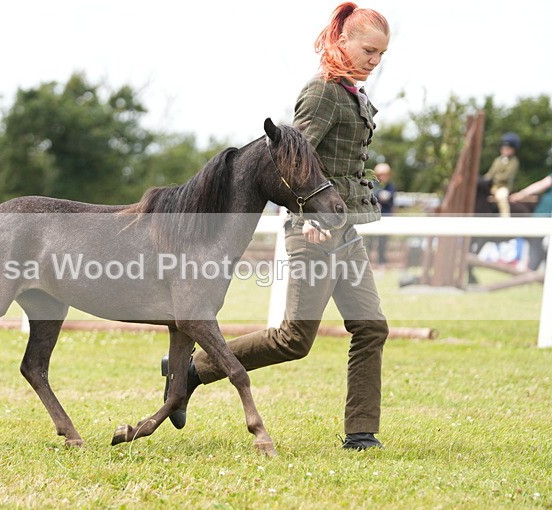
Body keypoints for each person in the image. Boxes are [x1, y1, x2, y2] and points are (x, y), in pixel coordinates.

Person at [161, 2, 390, 450]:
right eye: (368, 50)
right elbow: (293, 158)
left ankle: (361, 434)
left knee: (371, 327)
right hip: (314, 231)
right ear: (341, 40)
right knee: (293, 340)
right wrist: (307, 219)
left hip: (344, 230)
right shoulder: (322, 92)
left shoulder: (352, 93)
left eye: (381, 54)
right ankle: (190, 371)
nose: (374, 61)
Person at [510, 172, 552, 270]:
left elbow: (544, 184)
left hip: (544, 216)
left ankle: (531, 272)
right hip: (544, 216)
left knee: (536, 246)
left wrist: (521, 194)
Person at [484, 133, 521, 217]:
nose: (505, 150)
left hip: (503, 186)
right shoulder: (498, 160)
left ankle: (505, 218)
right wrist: (486, 178)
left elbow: (507, 175)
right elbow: (491, 171)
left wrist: (494, 178)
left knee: (501, 197)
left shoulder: (514, 162)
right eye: (504, 148)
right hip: (493, 186)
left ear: (513, 150)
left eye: (508, 148)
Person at [372, 162, 396, 266]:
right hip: (373, 218)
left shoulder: (390, 187)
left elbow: (389, 200)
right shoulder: (373, 185)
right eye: (380, 174)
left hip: (385, 217)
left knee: (383, 241)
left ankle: (381, 261)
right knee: (370, 240)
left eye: (384, 174)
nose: (382, 177)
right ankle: (369, 261)